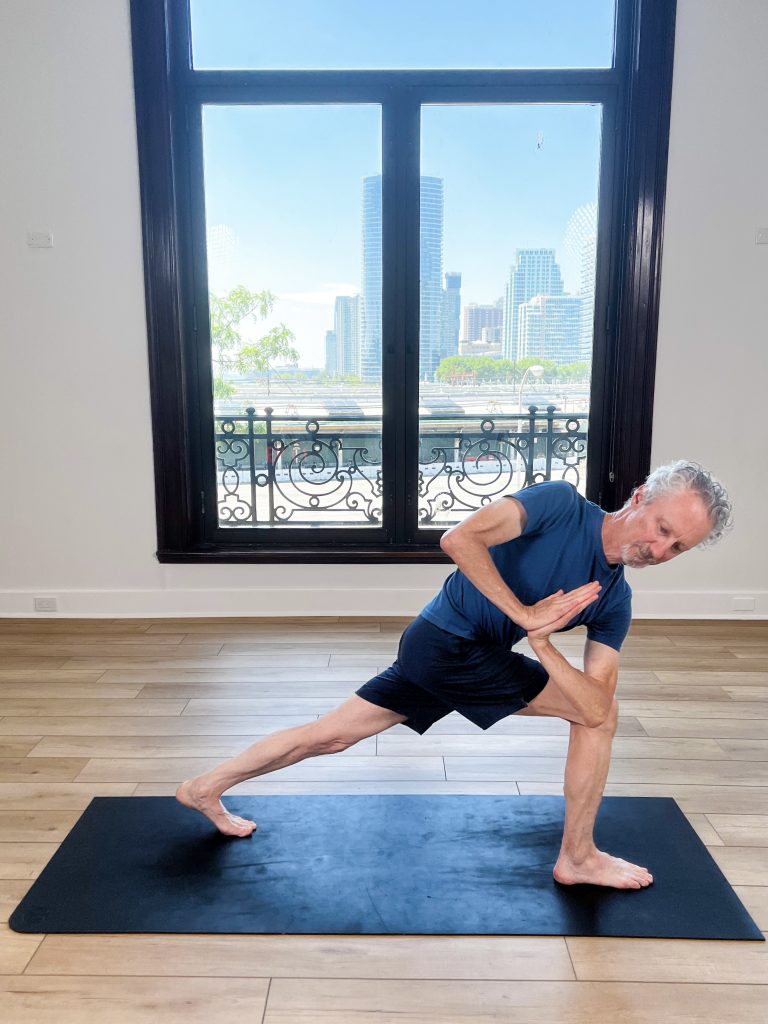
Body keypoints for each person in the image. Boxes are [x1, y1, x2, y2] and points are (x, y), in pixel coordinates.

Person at [177, 460, 732, 890]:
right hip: (446, 646)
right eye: (661, 527)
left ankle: (203, 788)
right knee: (600, 722)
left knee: (333, 734)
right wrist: (525, 616)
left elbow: (590, 700)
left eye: (676, 546)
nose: (658, 548)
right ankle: (579, 857)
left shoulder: (614, 601)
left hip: (451, 652)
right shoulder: (561, 506)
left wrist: (542, 644)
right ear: (639, 497)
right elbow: (458, 538)